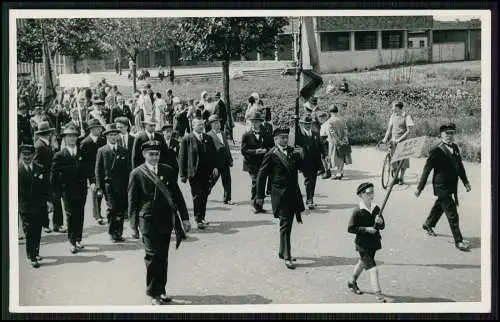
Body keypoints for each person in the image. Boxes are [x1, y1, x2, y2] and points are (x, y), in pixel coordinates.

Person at [128, 140, 191, 305]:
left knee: (162, 257)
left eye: (157, 154)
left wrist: (185, 218)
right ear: (144, 155)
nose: (155, 157)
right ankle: (152, 292)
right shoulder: (137, 173)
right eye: (151, 154)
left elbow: (177, 195)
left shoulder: (167, 170)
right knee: (152, 257)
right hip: (147, 220)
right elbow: (132, 201)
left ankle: (161, 290)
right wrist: (133, 226)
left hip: (165, 220)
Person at [415, 123, 472, 252]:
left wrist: (466, 182)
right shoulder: (436, 150)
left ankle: (428, 224)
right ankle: (459, 241)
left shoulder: (455, 147)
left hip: (451, 185)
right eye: (447, 133)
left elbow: (460, 167)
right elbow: (427, 170)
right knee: (452, 213)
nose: (449, 136)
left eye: (452, 133)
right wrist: (419, 188)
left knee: (440, 206)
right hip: (441, 186)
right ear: (441, 135)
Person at [255, 128, 305, 270]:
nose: (284, 140)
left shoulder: (291, 151)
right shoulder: (271, 154)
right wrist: (259, 197)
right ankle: (287, 256)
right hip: (280, 194)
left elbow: (300, 168)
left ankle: (282, 251)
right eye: (281, 138)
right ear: (275, 139)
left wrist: (301, 155)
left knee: (287, 224)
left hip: (293, 193)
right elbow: (261, 175)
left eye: (286, 137)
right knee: (285, 224)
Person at [51, 126, 90, 254]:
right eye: (69, 136)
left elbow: (88, 170)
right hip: (67, 192)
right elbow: (54, 176)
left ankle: (78, 239)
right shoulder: (60, 155)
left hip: (81, 190)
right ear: (65, 138)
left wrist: (93, 181)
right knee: (70, 215)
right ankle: (72, 241)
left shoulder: (83, 153)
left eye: (74, 136)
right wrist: (54, 192)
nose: (72, 138)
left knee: (80, 215)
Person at [347, 182, 387, 303]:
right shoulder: (357, 211)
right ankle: (378, 293)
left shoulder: (376, 208)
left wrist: (379, 222)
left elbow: (383, 226)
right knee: (373, 269)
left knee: (363, 263)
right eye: (369, 192)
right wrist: (366, 229)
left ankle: (351, 282)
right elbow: (351, 228)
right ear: (361, 195)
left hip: (373, 243)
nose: (371, 195)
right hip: (362, 244)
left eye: (372, 192)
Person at [178, 118, 218, 230]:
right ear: (193, 125)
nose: (201, 126)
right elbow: (182, 158)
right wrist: (182, 174)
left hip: (206, 172)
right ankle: (198, 218)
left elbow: (213, 153)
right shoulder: (187, 139)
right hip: (194, 173)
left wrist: (214, 167)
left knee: (205, 194)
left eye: (202, 124)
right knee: (197, 195)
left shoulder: (208, 138)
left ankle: (202, 216)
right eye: (199, 125)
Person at [95, 123, 130, 243]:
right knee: (112, 208)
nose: (113, 137)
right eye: (111, 135)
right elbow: (98, 170)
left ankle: (118, 233)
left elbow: (128, 169)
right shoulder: (102, 151)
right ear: (106, 136)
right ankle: (112, 232)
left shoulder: (124, 151)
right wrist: (99, 187)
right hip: (108, 186)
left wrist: (129, 185)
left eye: (115, 134)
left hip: (122, 185)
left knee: (120, 209)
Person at [18, 144, 50, 268]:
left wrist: (49, 202)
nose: (26, 157)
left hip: (39, 206)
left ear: (33, 155)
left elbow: (45, 187)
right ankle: (31, 256)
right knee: (29, 231)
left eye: (29, 154)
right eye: (24, 155)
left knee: (37, 231)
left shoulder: (39, 168)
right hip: (25, 207)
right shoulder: (16, 170)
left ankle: (35, 253)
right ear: (20, 155)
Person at [33, 121, 65, 234]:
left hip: (53, 177)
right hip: (46, 178)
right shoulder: (39, 146)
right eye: (48, 133)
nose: (49, 135)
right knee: (45, 202)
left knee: (56, 200)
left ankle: (57, 224)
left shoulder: (47, 144)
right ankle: (46, 224)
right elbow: (36, 163)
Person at [241, 111, 274, 214]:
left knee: (262, 183)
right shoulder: (247, 135)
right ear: (251, 123)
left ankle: (260, 205)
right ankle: (254, 204)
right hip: (251, 163)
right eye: (253, 122)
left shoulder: (266, 133)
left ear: (261, 122)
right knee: (256, 182)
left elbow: (272, 146)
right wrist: (255, 151)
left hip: (263, 163)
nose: (255, 124)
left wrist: (266, 150)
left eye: (257, 122)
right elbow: (244, 151)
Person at [382, 101, 414, 185]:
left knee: (403, 161)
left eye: (394, 107)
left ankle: (401, 178)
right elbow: (389, 128)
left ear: (399, 108)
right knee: (393, 160)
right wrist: (385, 138)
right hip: (393, 141)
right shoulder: (392, 116)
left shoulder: (407, 116)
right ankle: (395, 177)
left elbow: (409, 131)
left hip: (404, 141)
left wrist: (399, 139)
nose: (392, 109)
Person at [296, 115, 323, 210]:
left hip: (315, 161)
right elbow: (296, 145)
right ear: (302, 124)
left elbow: (320, 146)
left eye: (309, 124)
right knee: (308, 180)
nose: (307, 125)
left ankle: (311, 197)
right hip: (305, 162)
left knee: (313, 180)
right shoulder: (299, 135)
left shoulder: (315, 133)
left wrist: (324, 155)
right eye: (305, 124)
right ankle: (309, 199)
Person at [207, 115, 234, 205]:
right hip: (216, 162)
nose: (218, 124)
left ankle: (227, 199)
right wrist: (212, 165)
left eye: (218, 122)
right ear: (211, 125)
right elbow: (209, 152)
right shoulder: (208, 135)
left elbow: (227, 148)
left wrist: (230, 159)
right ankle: (206, 191)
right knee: (212, 179)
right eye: (215, 123)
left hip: (225, 161)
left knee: (227, 180)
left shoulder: (223, 133)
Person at [326, 105, 352, 180]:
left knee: (336, 157)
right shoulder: (342, 119)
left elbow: (332, 132)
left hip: (334, 142)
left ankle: (338, 173)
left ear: (330, 112)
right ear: (337, 111)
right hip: (343, 141)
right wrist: (344, 139)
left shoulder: (330, 121)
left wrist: (338, 140)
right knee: (342, 156)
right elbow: (346, 130)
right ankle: (340, 171)